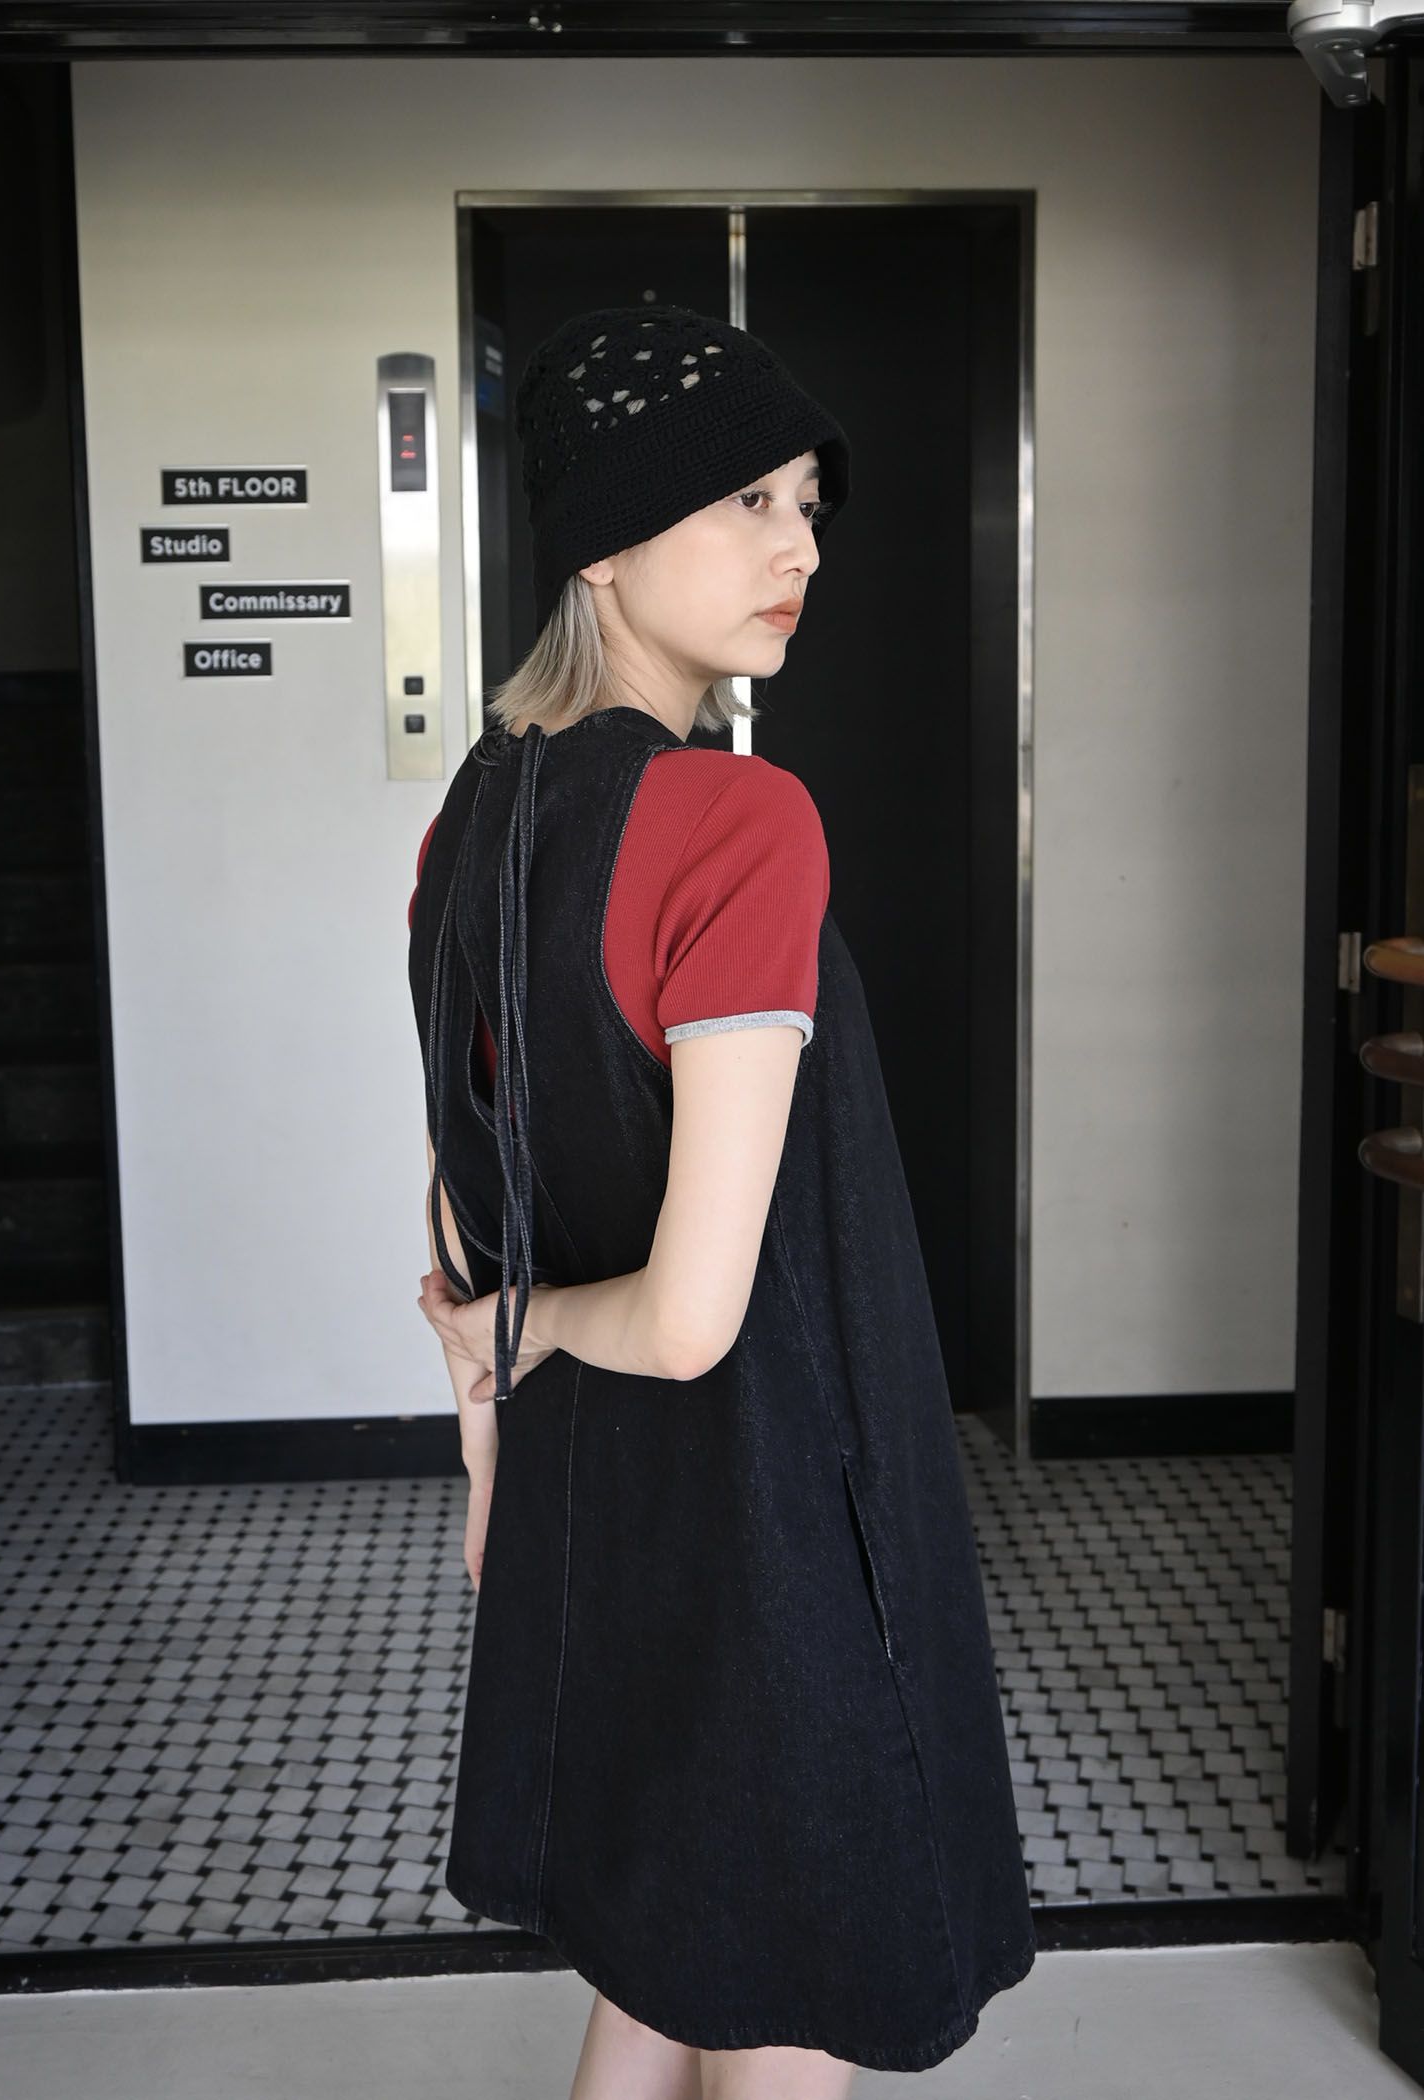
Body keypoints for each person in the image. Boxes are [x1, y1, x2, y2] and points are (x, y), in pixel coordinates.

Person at [408, 303, 1036, 2098]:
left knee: (655, 1974)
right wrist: (517, 1336)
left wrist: (493, 1417)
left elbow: (464, 1203)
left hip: (593, 1519)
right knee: (782, 1994)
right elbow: (692, 1321)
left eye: (810, 504)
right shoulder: (738, 822)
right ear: (604, 545)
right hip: (773, 1532)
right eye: (748, 501)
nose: (803, 548)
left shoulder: (467, 826)